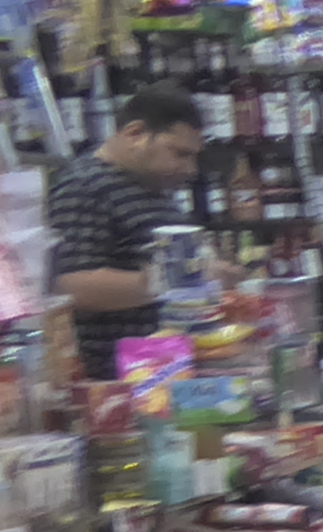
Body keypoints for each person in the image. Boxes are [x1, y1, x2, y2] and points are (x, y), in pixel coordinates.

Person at [47, 83, 206, 379]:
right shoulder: (84, 186)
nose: (190, 169)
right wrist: (180, 277)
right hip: (117, 380)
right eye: (180, 153)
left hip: (162, 371)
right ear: (135, 133)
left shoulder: (150, 186)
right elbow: (71, 285)